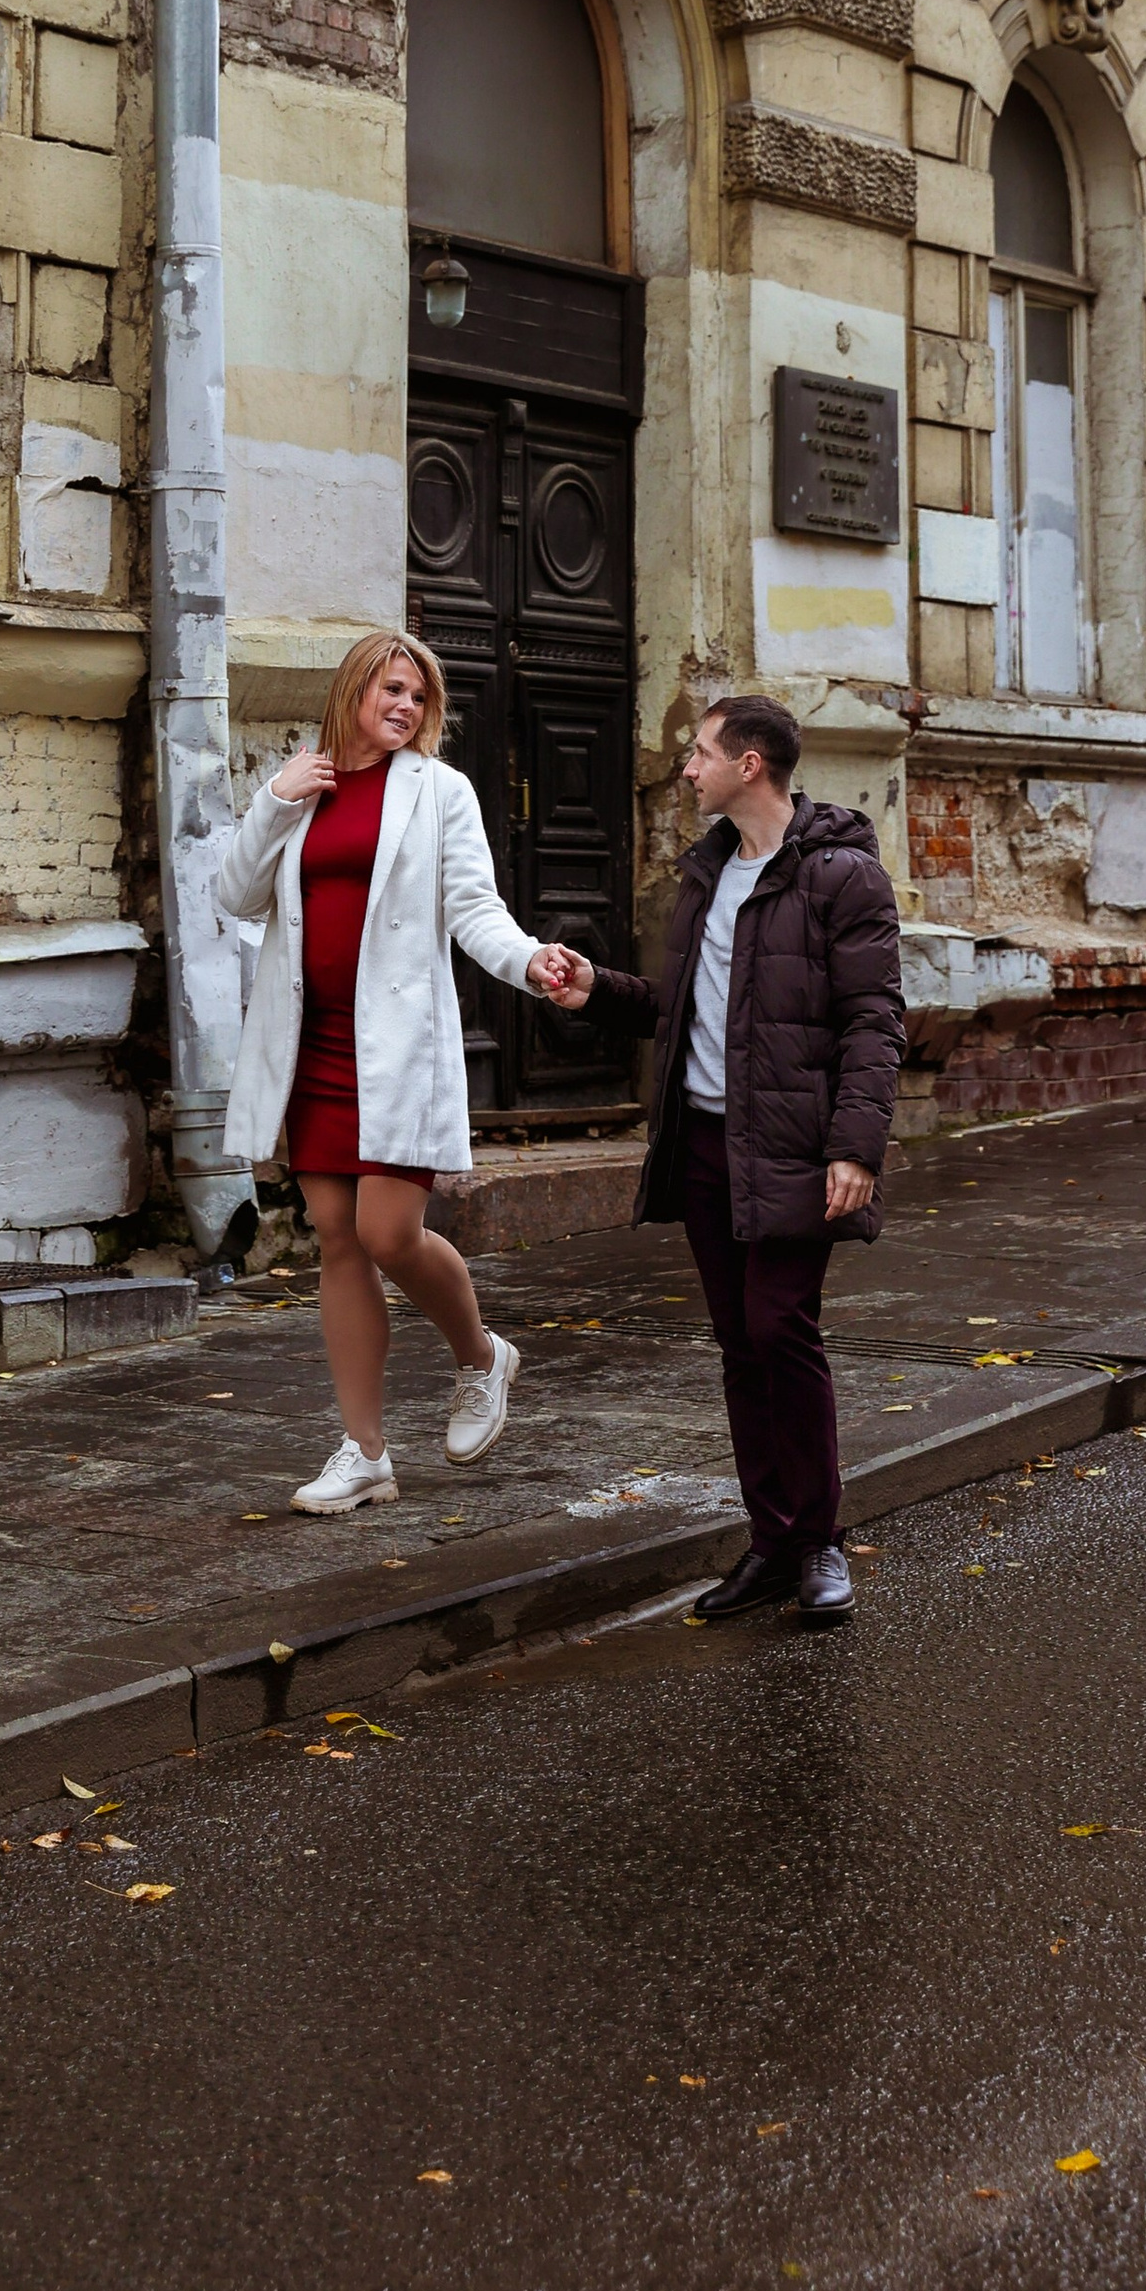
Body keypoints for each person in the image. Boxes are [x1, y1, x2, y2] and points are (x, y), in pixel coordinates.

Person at [546, 693, 902, 1622]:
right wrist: (600, 992)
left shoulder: (841, 877)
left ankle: (820, 1542)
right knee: (741, 1344)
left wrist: (855, 1146)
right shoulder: (706, 873)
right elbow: (693, 1007)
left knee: (783, 1329)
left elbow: (874, 1022)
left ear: (750, 765)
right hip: (705, 1143)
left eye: (702, 752)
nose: (688, 767)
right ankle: (772, 1543)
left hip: (792, 1144)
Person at [216, 626, 583, 1514]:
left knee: (387, 1232)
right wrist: (274, 798)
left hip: (398, 1046)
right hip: (313, 1046)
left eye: (417, 696)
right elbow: (234, 894)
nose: (405, 707)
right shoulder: (304, 785)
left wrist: (529, 961)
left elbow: (473, 906)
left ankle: (481, 1356)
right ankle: (365, 1452)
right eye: (390, 689)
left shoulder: (438, 791)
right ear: (353, 692)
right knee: (336, 1238)